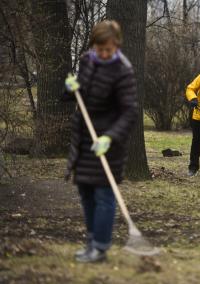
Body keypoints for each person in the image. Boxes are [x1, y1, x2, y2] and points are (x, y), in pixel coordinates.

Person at [62, 20, 138, 262]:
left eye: (109, 49)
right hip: (84, 139)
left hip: (108, 143)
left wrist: (109, 137)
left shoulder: (123, 71)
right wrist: (70, 89)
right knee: (85, 191)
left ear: (117, 45)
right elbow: (79, 94)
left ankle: (101, 248)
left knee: (104, 195)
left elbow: (129, 112)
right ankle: (91, 243)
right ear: (94, 45)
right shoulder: (87, 60)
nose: (104, 54)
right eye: (100, 49)